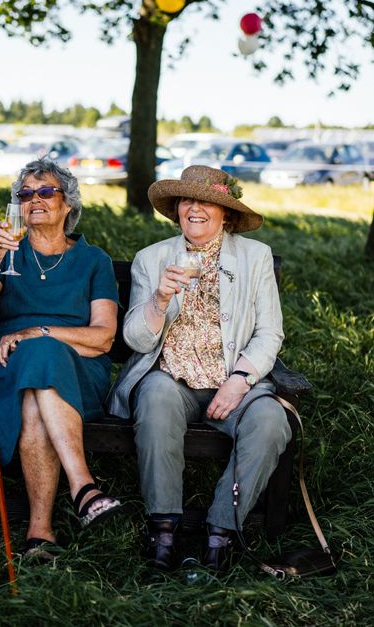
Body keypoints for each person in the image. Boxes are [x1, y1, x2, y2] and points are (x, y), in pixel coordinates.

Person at [106, 164, 291, 572]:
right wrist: (157, 300)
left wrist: (240, 380)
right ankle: (163, 530)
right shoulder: (151, 259)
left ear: (226, 213)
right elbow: (136, 341)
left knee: (272, 421)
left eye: (207, 201)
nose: (195, 209)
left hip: (233, 382)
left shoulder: (254, 257)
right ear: (176, 210)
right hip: (172, 378)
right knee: (154, 397)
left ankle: (221, 532)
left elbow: (269, 333)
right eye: (187, 200)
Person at [0, 158, 124, 559]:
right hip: (7, 361)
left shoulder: (93, 261)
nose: (35, 199)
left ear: (68, 203)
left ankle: (40, 531)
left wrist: (40, 332)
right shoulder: (8, 255)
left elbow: (103, 337)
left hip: (80, 367)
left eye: (46, 191)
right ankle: (82, 486)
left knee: (40, 367)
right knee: (36, 365)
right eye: (25, 194)